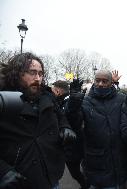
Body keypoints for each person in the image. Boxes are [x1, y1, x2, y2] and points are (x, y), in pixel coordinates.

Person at [0, 52, 76, 189]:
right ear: (17, 73)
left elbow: (61, 116)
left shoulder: (47, 96)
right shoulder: (3, 100)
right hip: (20, 181)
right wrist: (2, 171)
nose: (38, 78)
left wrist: (66, 127)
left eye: (40, 74)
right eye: (32, 72)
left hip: (51, 177)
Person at [66, 70, 127, 189]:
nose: (100, 84)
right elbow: (74, 123)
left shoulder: (122, 99)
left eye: (104, 81)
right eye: (97, 80)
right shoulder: (85, 101)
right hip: (96, 163)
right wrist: (73, 102)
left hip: (120, 161)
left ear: (111, 83)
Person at [52, 79, 90, 189]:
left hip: (73, 146)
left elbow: (71, 115)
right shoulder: (59, 101)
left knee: (77, 172)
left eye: (53, 89)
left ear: (58, 90)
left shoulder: (69, 102)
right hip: (71, 146)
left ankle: (86, 185)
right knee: (78, 172)